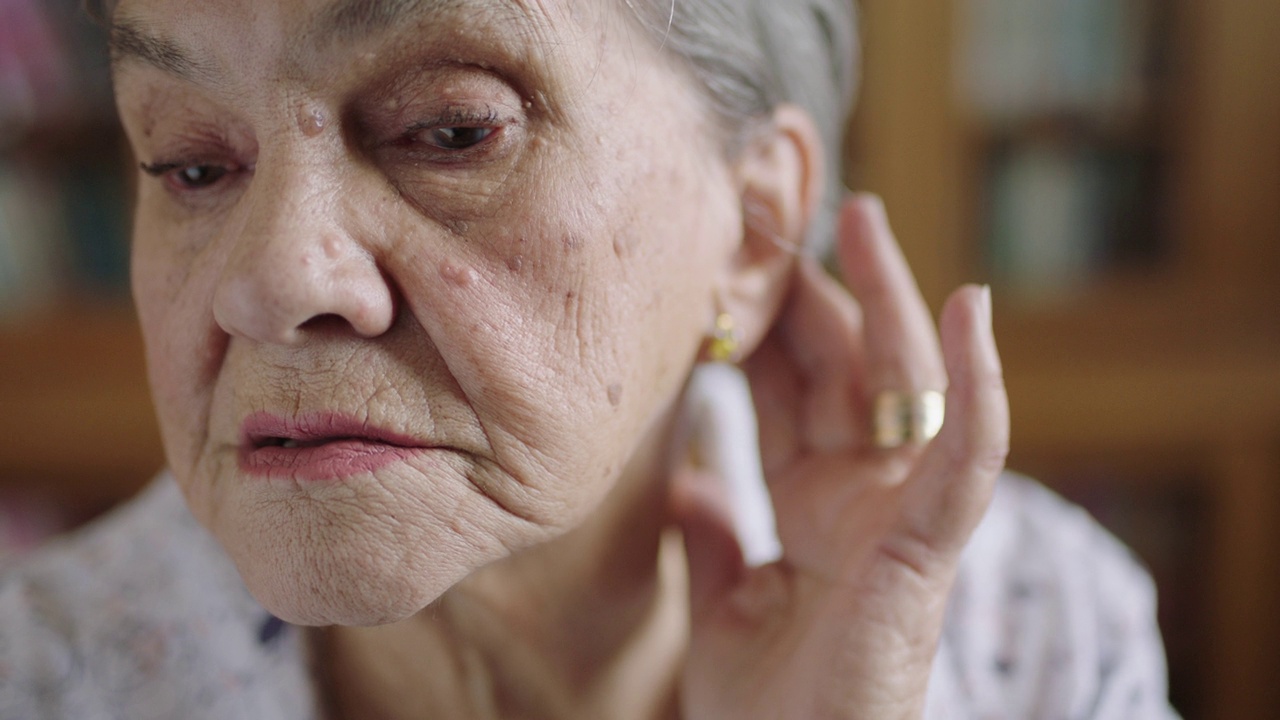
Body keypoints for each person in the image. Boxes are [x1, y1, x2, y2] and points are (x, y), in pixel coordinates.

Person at [0, 0, 1179, 717]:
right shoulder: (41, 682)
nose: (271, 281)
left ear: (754, 226)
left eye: (452, 131)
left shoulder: (1039, 639)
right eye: (194, 164)